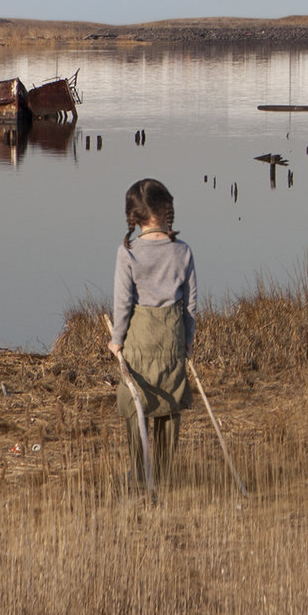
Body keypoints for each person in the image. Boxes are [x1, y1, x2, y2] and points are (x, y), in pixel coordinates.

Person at [106, 178, 197, 482]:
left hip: (140, 342)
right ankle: (162, 473)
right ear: (165, 209)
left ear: (134, 216)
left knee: (138, 402)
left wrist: (116, 341)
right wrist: (187, 340)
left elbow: (122, 303)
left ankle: (139, 473)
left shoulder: (127, 253)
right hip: (171, 339)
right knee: (170, 402)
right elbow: (190, 305)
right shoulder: (182, 251)